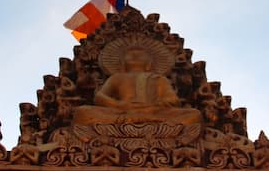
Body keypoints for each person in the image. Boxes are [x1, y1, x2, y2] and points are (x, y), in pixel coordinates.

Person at [72, 39, 201, 127]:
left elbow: (173, 100)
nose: (135, 56)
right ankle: (146, 121)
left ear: (149, 63)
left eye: (140, 54)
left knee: (194, 115)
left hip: (154, 112)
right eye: (130, 54)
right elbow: (99, 97)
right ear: (122, 63)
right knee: (82, 112)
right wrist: (120, 105)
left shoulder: (159, 79)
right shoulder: (117, 78)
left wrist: (153, 108)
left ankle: (138, 120)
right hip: (122, 112)